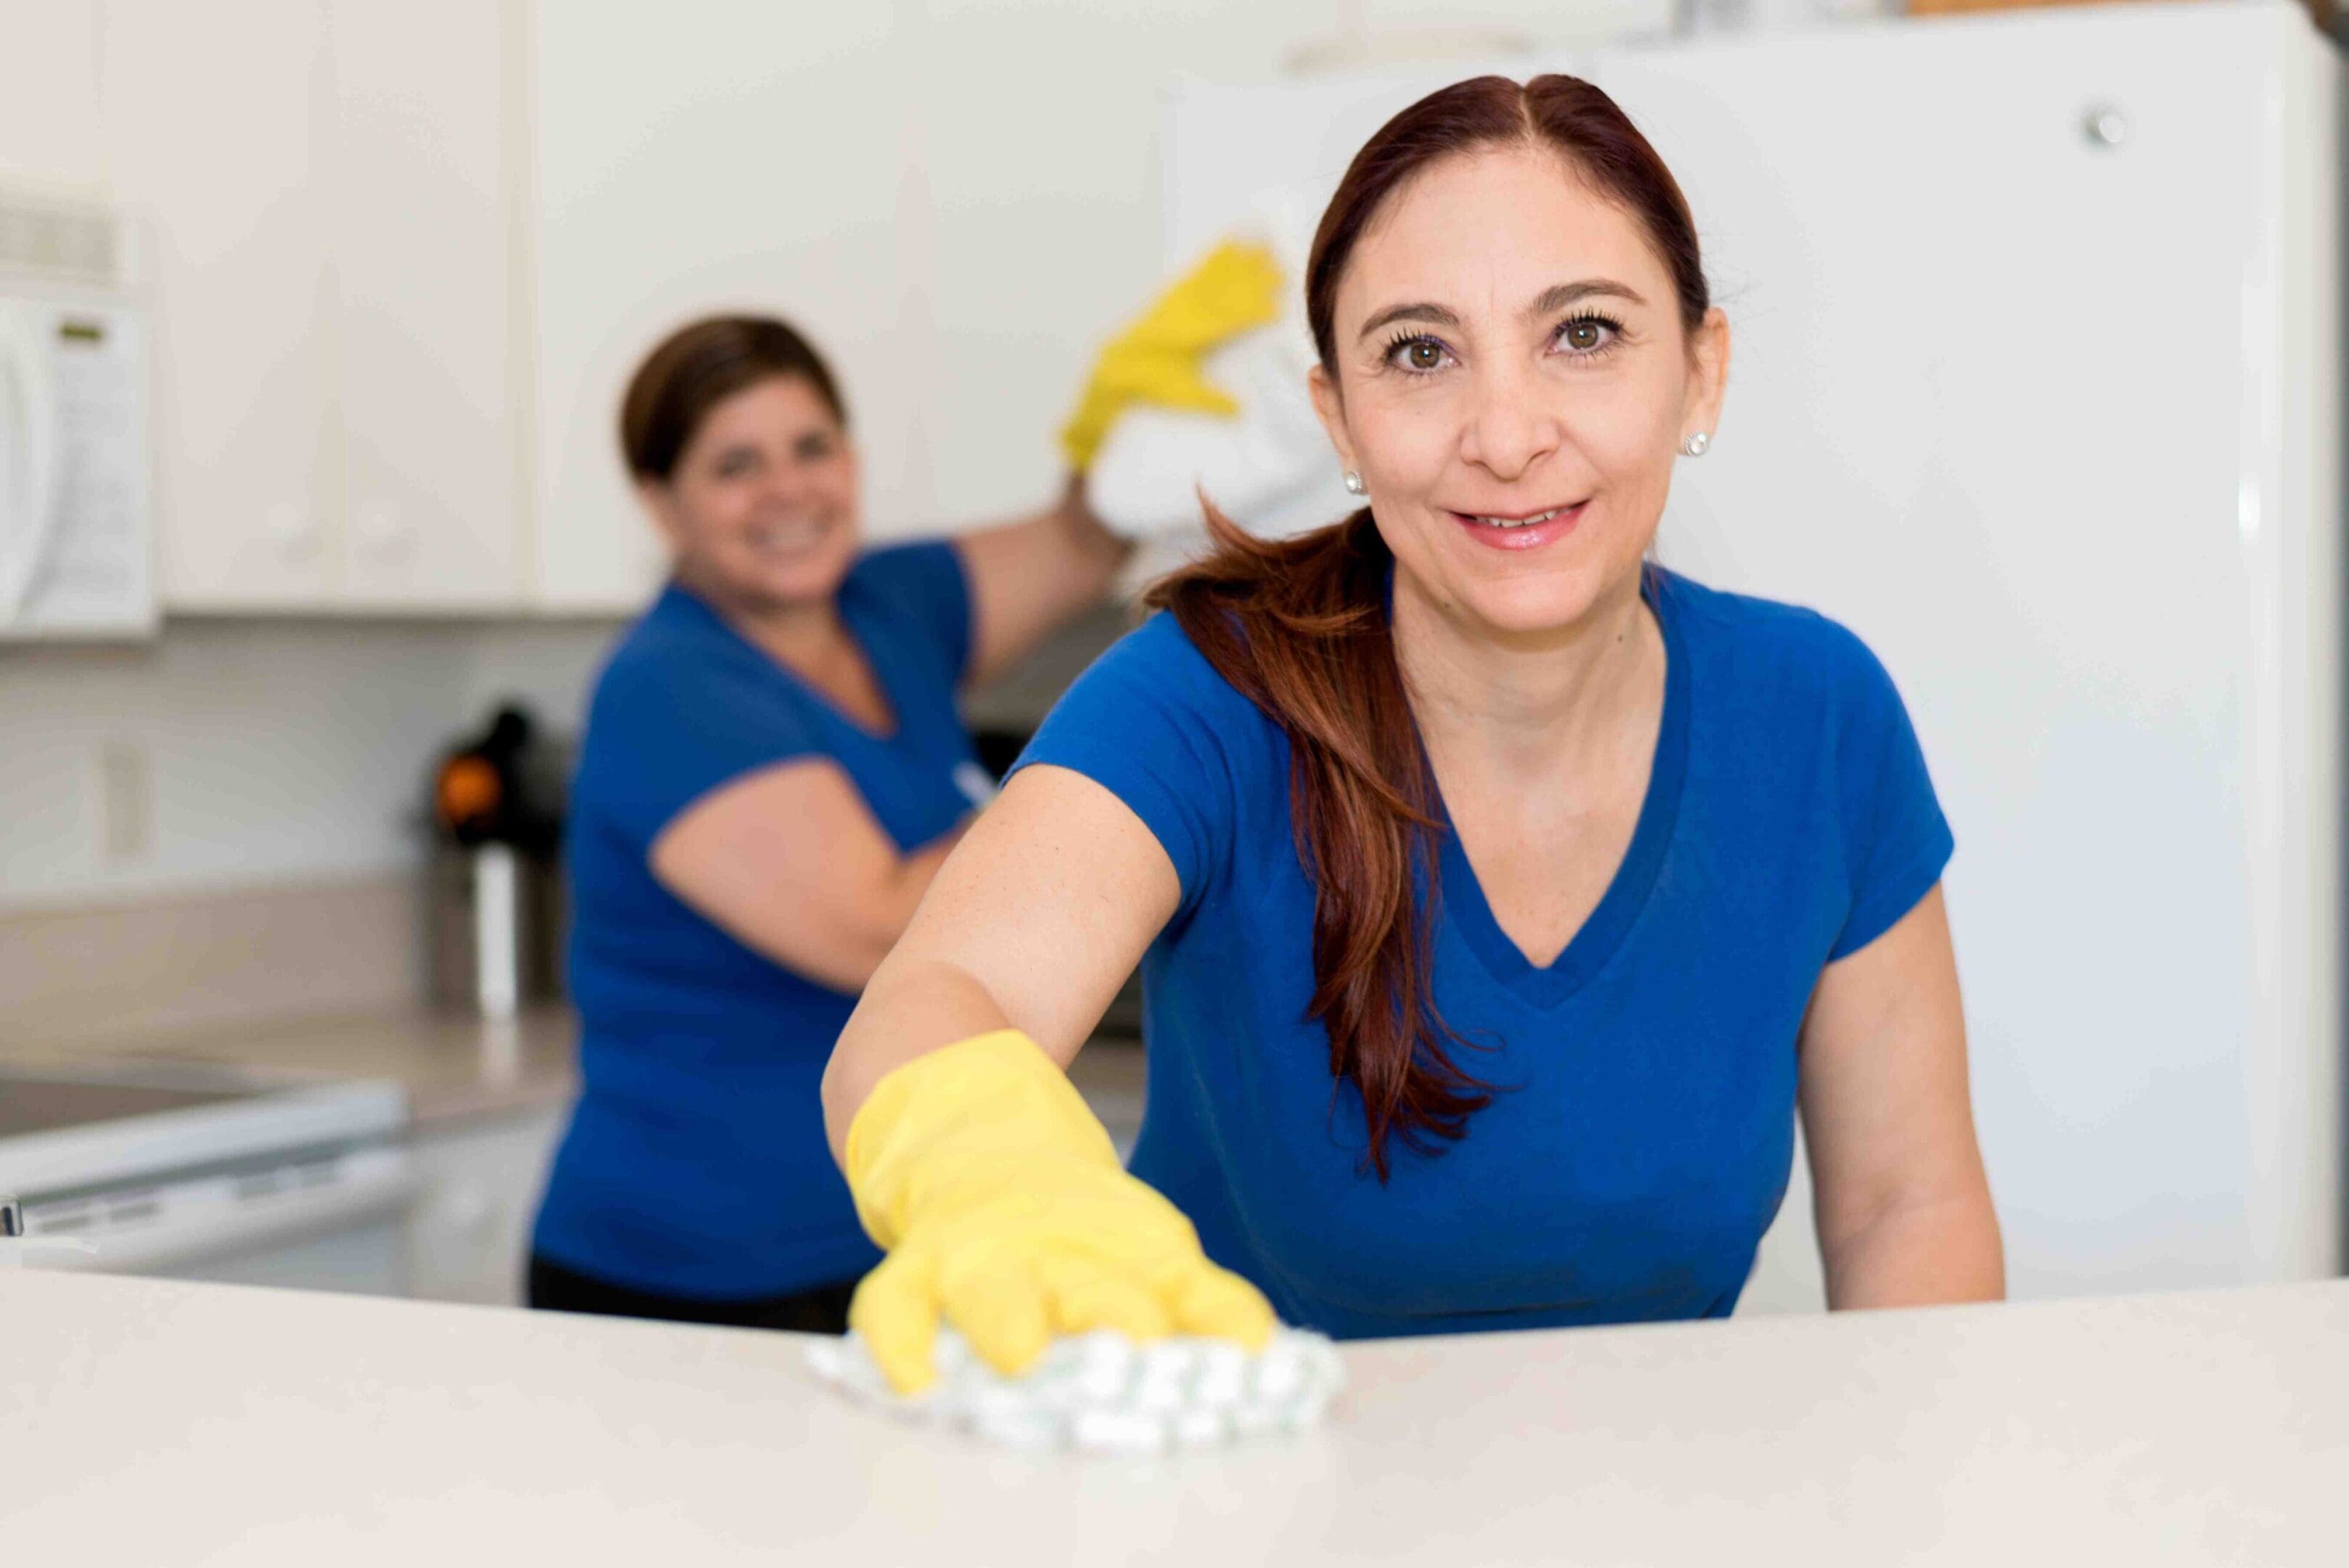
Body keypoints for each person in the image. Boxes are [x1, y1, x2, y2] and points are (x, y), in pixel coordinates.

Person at [820, 73, 2005, 1394]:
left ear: (1701, 372)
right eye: (1421, 353)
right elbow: (933, 1002)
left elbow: (1907, 1205)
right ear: (1339, 419)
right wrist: (992, 1170)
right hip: (1243, 1497)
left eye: (1585, 333)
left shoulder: (1817, 717)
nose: (1505, 437)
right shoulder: (1207, 700)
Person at [529, 270, 1275, 1331]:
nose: (789, 492)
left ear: (852, 457)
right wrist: (1133, 784)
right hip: (694, 1278)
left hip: (890, 1243)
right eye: (736, 466)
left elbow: (1081, 541)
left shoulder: (888, 604)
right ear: (662, 504)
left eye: (811, 448)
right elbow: (886, 927)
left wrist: (1134, 427)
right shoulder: (672, 688)